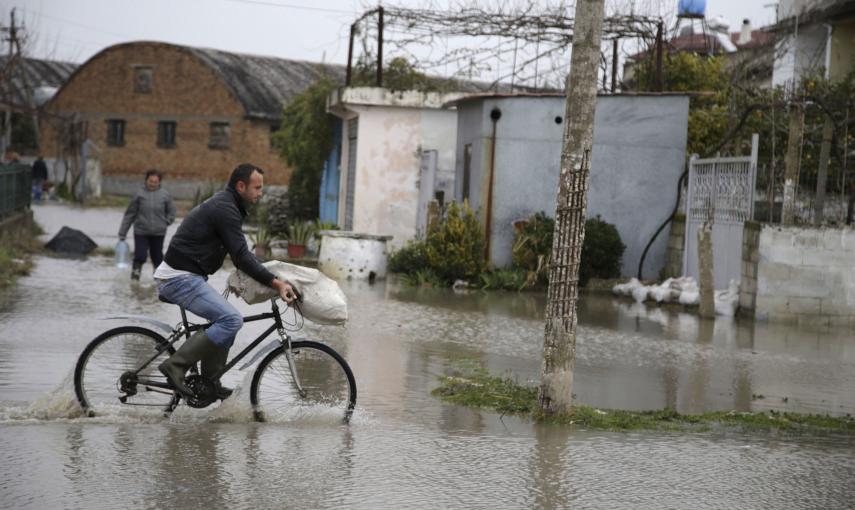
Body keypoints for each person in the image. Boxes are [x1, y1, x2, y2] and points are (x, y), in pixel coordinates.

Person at [155, 163, 297, 400]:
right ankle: (175, 366)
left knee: (225, 323)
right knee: (231, 319)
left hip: (188, 275)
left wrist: (270, 274)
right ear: (241, 186)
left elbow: (242, 253)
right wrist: (277, 283)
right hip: (179, 278)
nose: (260, 193)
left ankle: (210, 382)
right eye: (257, 187)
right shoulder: (226, 209)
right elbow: (241, 257)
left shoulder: (229, 205)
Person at [118, 169, 177, 280]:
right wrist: (122, 232)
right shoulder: (139, 194)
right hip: (141, 231)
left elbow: (172, 211)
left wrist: (166, 222)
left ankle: (158, 281)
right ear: (146, 180)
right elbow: (130, 214)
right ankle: (135, 280)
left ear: (159, 182)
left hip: (159, 232)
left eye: (155, 182)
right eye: (150, 181)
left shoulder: (165, 195)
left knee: (157, 257)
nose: (152, 184)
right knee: (140, 256)